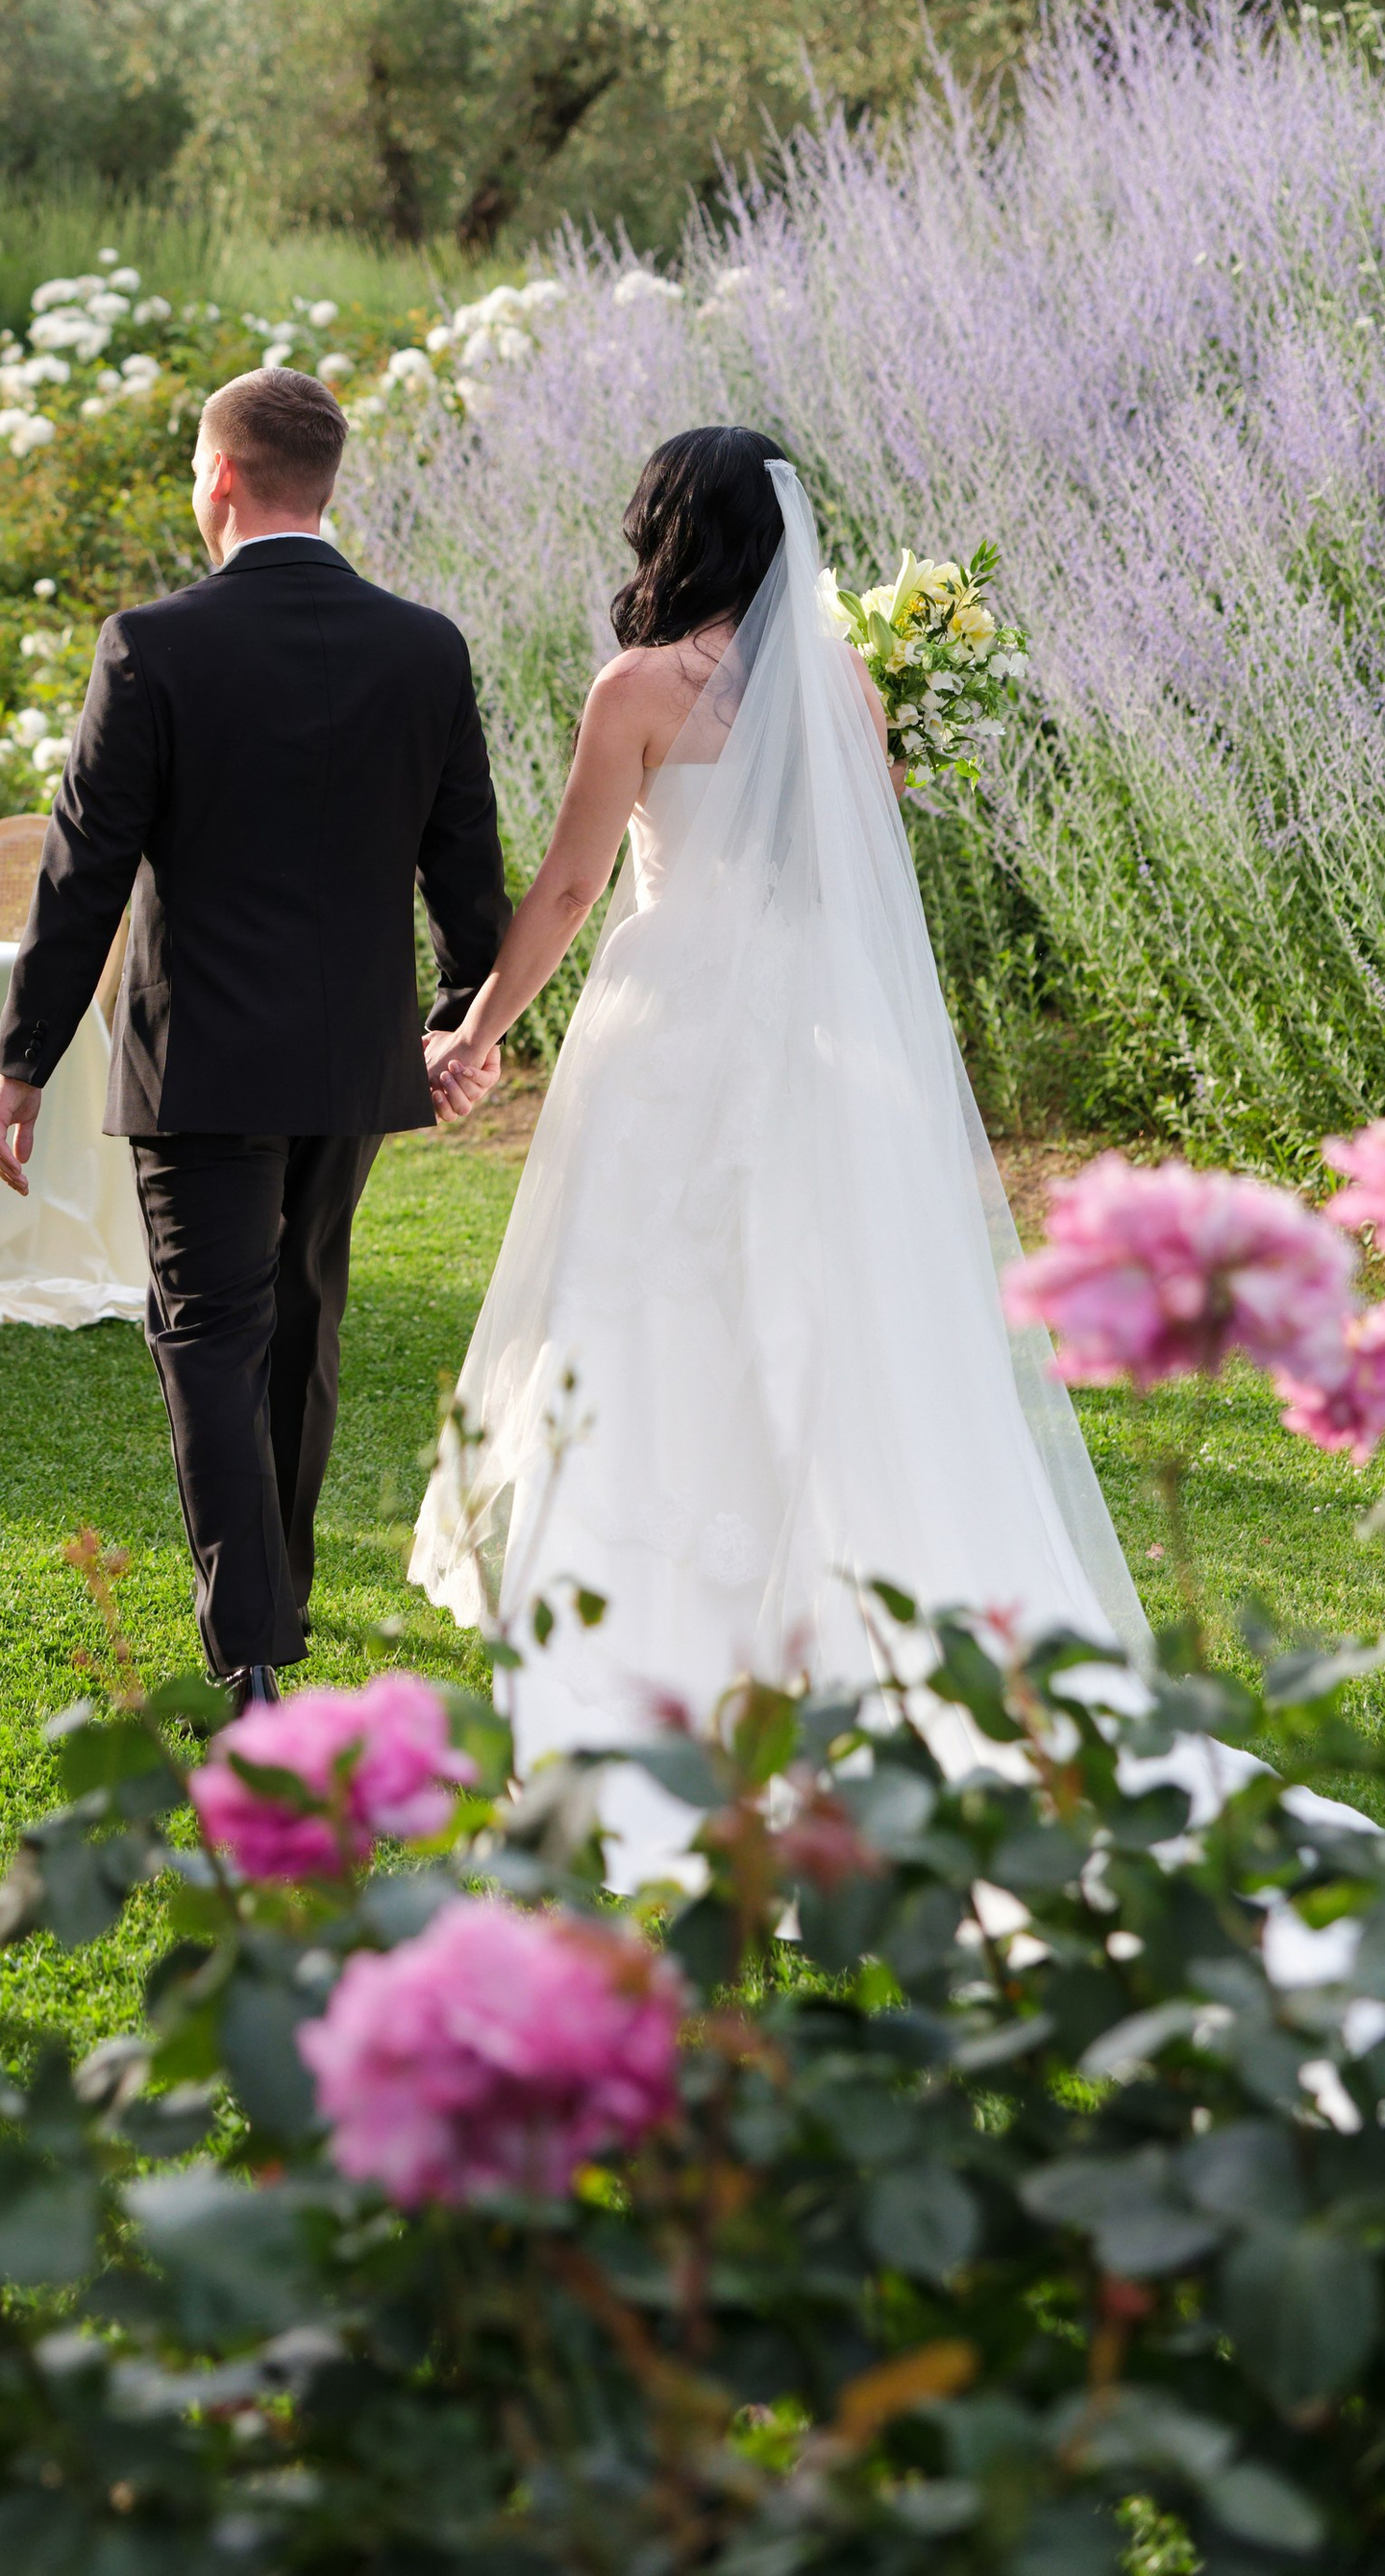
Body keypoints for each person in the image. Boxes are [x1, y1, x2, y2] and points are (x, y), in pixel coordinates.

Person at [409, 427, 1146, 1833]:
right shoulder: (843, 685)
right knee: (803, 1307)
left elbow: (569, 890)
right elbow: (842, 881)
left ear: (666, 533)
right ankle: (816, 1624)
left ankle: (639, 1635)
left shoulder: (637, 687)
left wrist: (475, 1032)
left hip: (672, 1025)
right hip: (804, 1036)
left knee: (633, 1310)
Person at [0, 366, 509, 1709]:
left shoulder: (152, 647)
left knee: (213, 1333)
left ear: (220, 482)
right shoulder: (425, 647)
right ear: (324, 486)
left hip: (201, 1058)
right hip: (349, 1062)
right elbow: (466, 870)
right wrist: (464, 1016)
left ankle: (255, 1651)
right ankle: (278, 1607)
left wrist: (22, 1061)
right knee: (304, 1319)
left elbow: (82, 872)